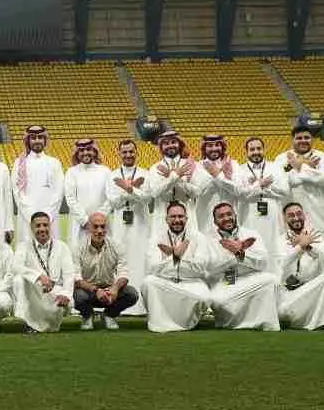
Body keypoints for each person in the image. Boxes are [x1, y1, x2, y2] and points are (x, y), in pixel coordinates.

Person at [200, 202, 281, 331]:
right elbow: (209, 267)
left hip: (249, 278)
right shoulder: (207, 239)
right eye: (221, 216)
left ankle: (264, 323)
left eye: (229, 214)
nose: (226, 218)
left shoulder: (251, 233)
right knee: (218, 301)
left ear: (235, 215)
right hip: (225, 282)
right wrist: (234, 254)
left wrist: (241, 254)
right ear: (215, 221)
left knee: (272, 279)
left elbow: (264, 261)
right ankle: (234, 323)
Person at [141, 201, 213, 333]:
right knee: (148, 282)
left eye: (180, 216)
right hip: (165, 282)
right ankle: (159, 323)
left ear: (186, 218)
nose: (177, 220)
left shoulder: (198, 237)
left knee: (204, 297)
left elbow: (200, 267)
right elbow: (153, 267)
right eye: (173, 217)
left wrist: (176, 258)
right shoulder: (156, 238)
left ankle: (188, 322)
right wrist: (175, 257)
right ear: (166, 219)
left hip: (191, 282)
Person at [103, 139, 152, 314]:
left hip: (140, 224)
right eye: (125, 152)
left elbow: (147, 198)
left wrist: (127, 189)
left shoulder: (145, 173)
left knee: (140, 260)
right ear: (119, 153)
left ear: (136, 152)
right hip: (120, 226)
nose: (128, 155)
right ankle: (122, 305)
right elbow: (114, 202)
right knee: (121, 262)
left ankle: (141, 305)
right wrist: (130, 189)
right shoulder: (113, 175)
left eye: (131, 151)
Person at [72, 211, 139, 330]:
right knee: (78, 295)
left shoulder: (117, 246)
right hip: (88, 292)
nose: (99, 231)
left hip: (109, 292)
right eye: (95, 227)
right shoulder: (78, 248)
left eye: (102, 226)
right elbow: (75, 278)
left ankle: (109, 315)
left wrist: (115, 288)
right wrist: (96, 290)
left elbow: (124, 273)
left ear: (106, 228)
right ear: (88, 228)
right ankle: (88, 315)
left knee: (132, 294)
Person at [276, 202, 324, 331]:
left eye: (299, 214)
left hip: (309, 290)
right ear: (285, 219)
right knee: (283, 313)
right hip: (288, 293)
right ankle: (298, 319)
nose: (296, 218)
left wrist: (309, 246)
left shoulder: (316, 236)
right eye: (291, 215)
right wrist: (299, 247)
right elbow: (280, 265)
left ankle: (317, 322)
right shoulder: (279, 240)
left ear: (305, 216)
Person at [13, 212, 77, 333]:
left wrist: (66, 294)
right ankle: (29, 323)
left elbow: (69, 274)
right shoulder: (23, 246)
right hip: (34, 291)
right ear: (31, 228)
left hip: (56, 291)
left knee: (53, 319)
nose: (42, 229)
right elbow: (15, 266)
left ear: (50, 226)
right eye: (38, 226)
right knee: (18, 280)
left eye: (45, 225)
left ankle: (40, 324)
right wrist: (38, 277)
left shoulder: (62, 246)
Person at [233, 136, 288, 275]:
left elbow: (284, 190)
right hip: (249, 217)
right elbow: (240, 193)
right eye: (252, 149)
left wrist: (257, 186)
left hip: (273, 218)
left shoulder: (275, 167)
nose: (256, 152)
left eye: (259, 148)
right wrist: (262, 184)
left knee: (274, 247)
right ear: (246, 151)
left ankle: (276, 280)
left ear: (264, 150)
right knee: (252, 247)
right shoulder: (239, 170)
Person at [273, 126, 324, 235]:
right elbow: (282, 182)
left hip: (318, 212)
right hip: (291, 212)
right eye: (299, 138)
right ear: (292, 140)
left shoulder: (322, 157)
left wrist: (300, 166)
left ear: (312, 140)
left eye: (307, 137)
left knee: (320, 247)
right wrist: (309, 168)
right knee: (293, 248)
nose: (303, 140)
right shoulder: (281, 159)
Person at [148, 131, 209, 234]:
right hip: (162, 216)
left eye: (173, 142)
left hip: (187, 214)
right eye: (166, 143)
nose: (170, 145)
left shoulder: (191, 165)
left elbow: (197, 192)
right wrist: (175, 176)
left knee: (189, 246)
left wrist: (173, 178)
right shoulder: (155, 168)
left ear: (179, 144)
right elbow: (155, 192)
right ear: (161, 147)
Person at [13, 126, 64, 248]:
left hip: (50, 217)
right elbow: (17, 192)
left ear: (45, 140)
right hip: (27, 218)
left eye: (40, 137)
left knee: (52, 249)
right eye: (33, 138)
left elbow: (59, 191)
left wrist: (48, 216)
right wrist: (31, 216)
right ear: (28, 141)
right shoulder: (19, 163)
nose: (37, 141)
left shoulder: (54, 162)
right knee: (27, 249)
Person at [62, 139, 111, 247]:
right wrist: (85, 221)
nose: (85, 153)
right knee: (78, 256)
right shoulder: (71, 172)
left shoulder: (105, 171)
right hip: (79, 225)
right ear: (77, 153)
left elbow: (110, 197)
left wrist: (98, 219)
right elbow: (70, 198)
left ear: (94, 151)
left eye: (88, 149)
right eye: (82, 150)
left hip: (101, 225)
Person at [192, 135, 240, 230]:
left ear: (222, 147)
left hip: (229, 219)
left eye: (217, 145)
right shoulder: (197, 166)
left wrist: (217, 175)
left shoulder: (233, 164)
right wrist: (218, 175)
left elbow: (237, 190)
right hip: (205, 221)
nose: (214, 148)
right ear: (204, 149)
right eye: (210, 146)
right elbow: (197, 191)